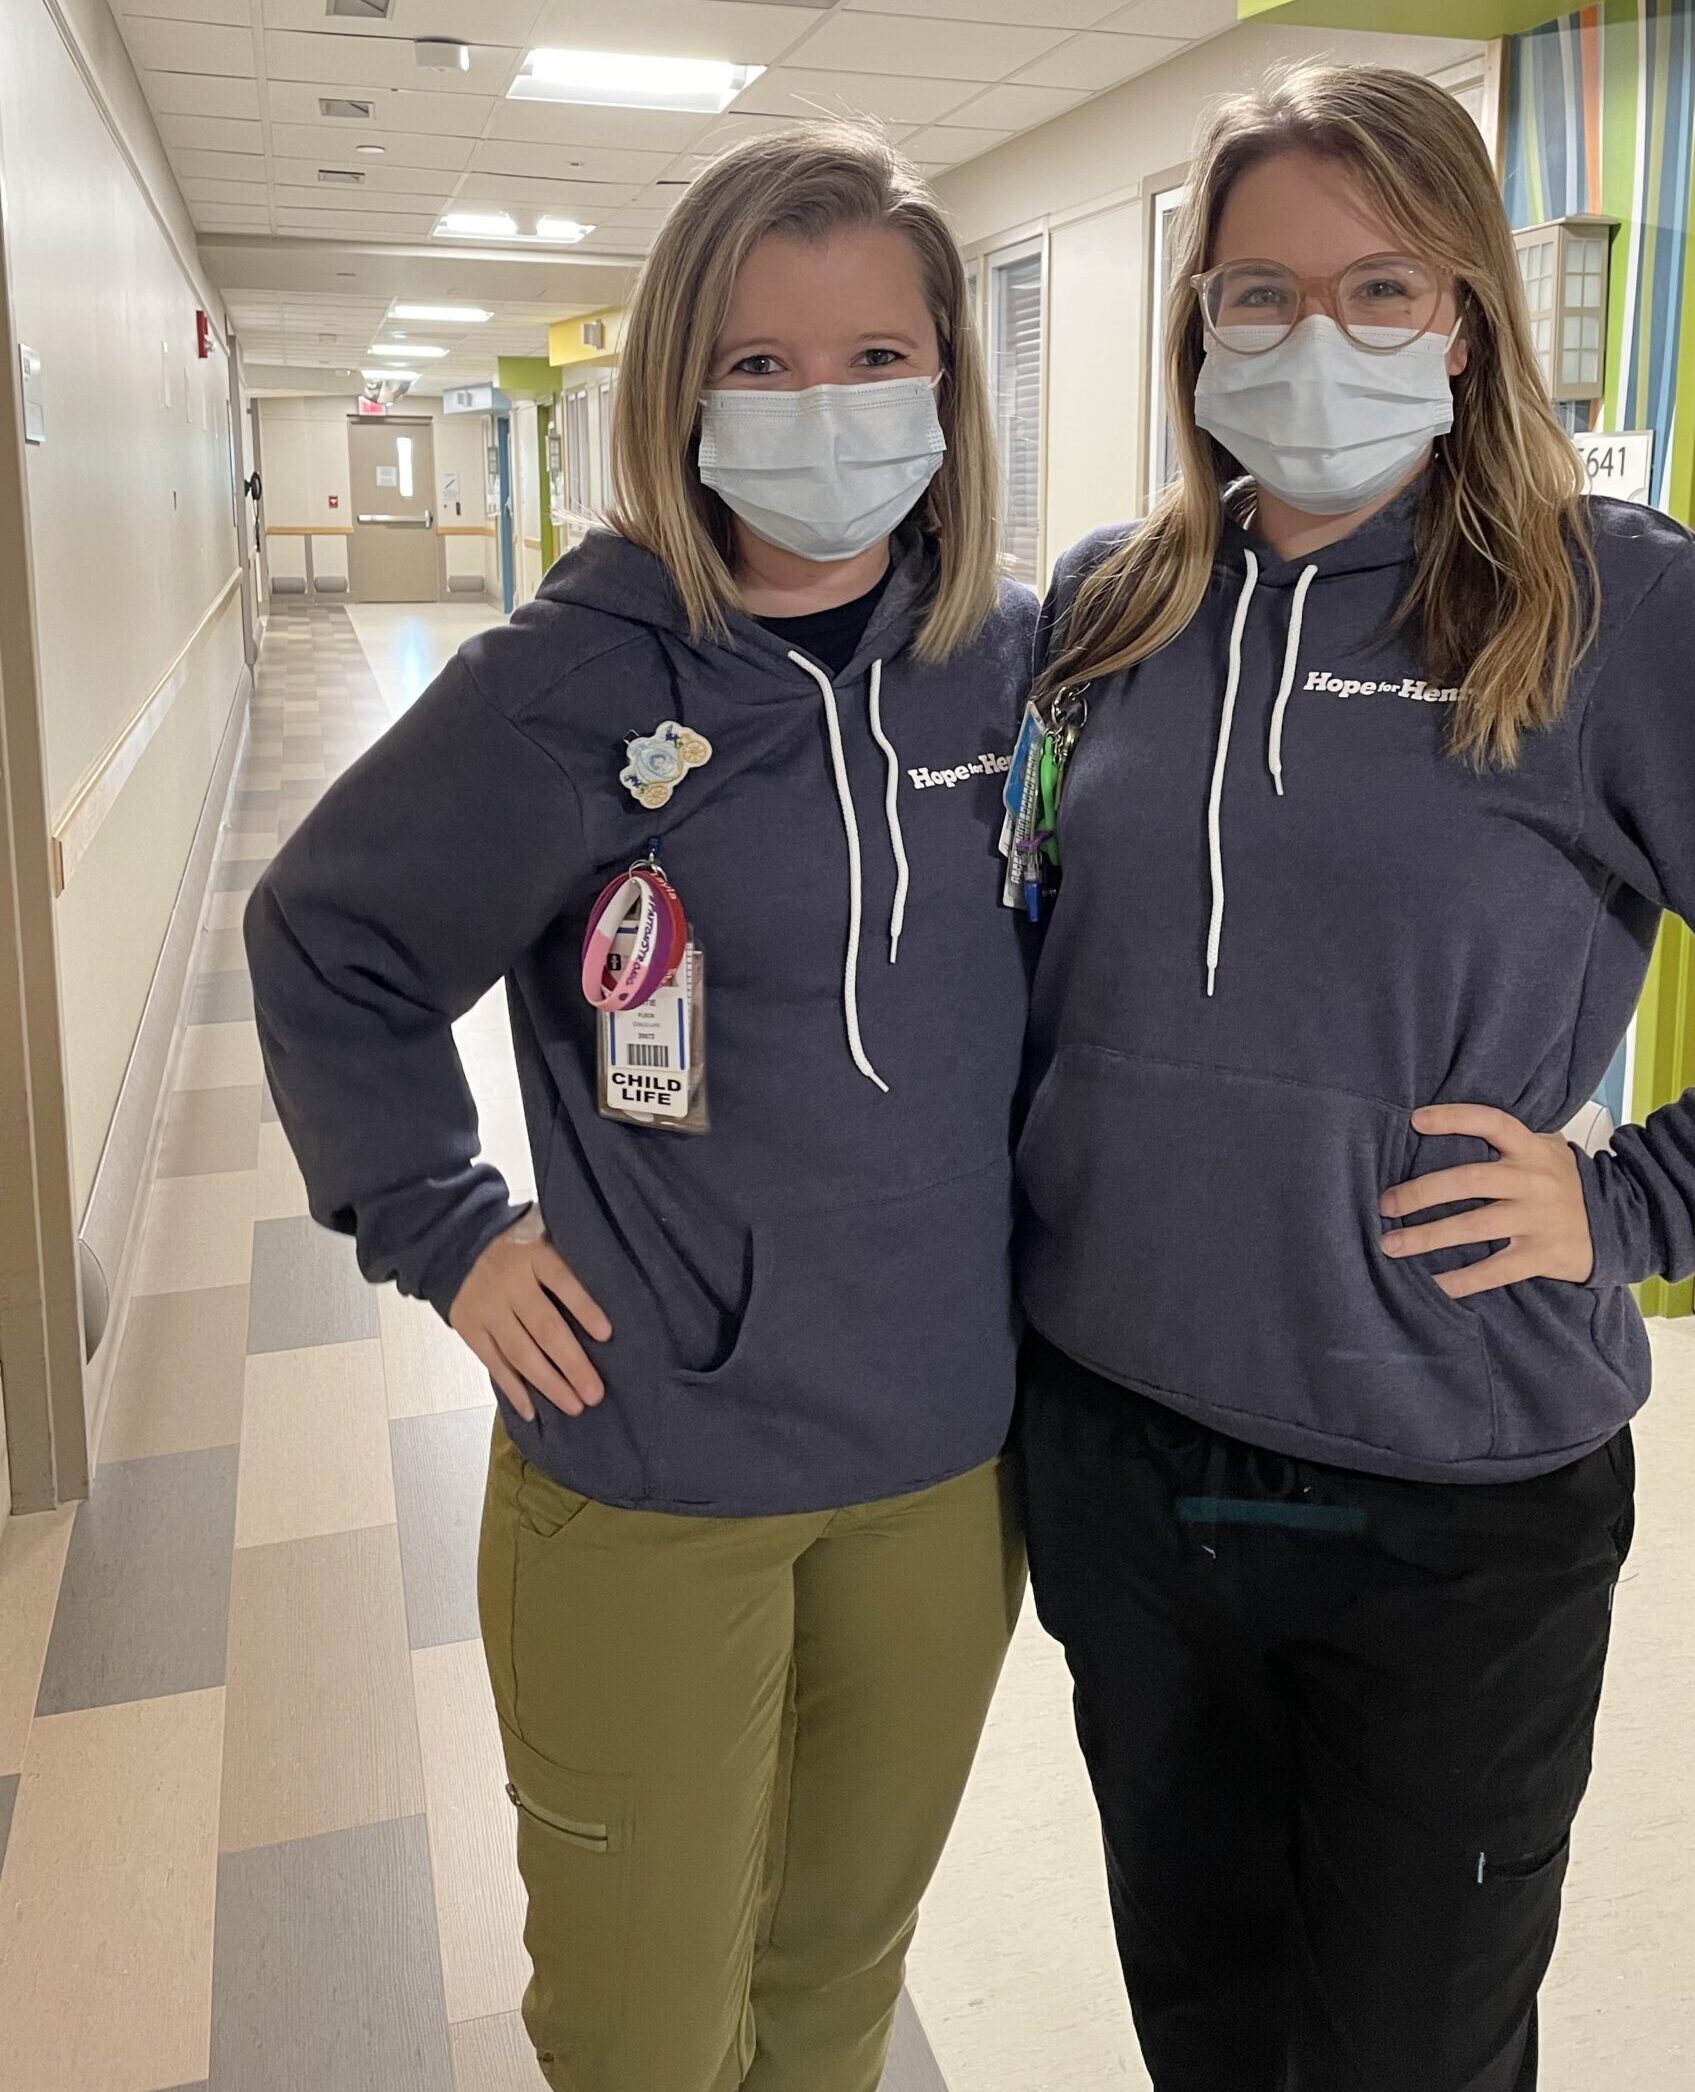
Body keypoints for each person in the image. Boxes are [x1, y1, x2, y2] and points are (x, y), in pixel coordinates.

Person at [1011, 64, 1695, 2092]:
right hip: (1117, 1454)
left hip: (1441, 1490)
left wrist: (1643, 1198)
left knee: (1410, 2050)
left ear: (1468, 322)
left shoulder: (1605, 606)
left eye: (1381, 287)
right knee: (1206, 2019)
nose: (1312, 336)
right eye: (1259, 292)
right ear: (1197, 326)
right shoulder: (1109, 608)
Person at [245, 126, 1033, 2092]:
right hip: (655, 1457)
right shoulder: (571, 685)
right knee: (647, 2025)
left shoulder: (1009, 671)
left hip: (945, 1462)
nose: (824, 407)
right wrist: (444, 1225)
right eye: (760, 362)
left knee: (838, 1973)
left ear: (948, 377)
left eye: (876, 357)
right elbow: (329, 939)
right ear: (680, 390)